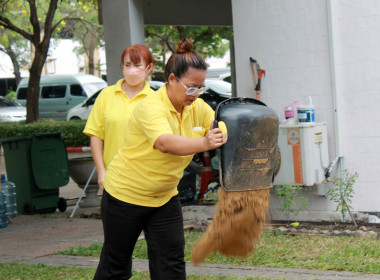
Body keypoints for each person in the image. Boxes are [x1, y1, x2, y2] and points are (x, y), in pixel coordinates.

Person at [93, 38, 228, 280]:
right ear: (172, 79)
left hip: (164, 197)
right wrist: (204, 142)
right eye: (191, 87)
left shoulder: (195, 106)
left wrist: (222, 133)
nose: (196, 94)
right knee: (116, 265)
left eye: (201, 88)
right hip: (125, 195)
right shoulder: (150, 106)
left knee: (171, 263)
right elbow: (164, 143)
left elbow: (218, 124)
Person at [83, 44, 155, 280]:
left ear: (149, 68)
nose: (132, 70)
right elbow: (96, 135)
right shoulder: (106, 95)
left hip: (147, 184)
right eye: (127, 65)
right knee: (116, 252)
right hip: (115, 184)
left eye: (137, 65)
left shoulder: (156, 99)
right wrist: (101, 172)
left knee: (159, 250)